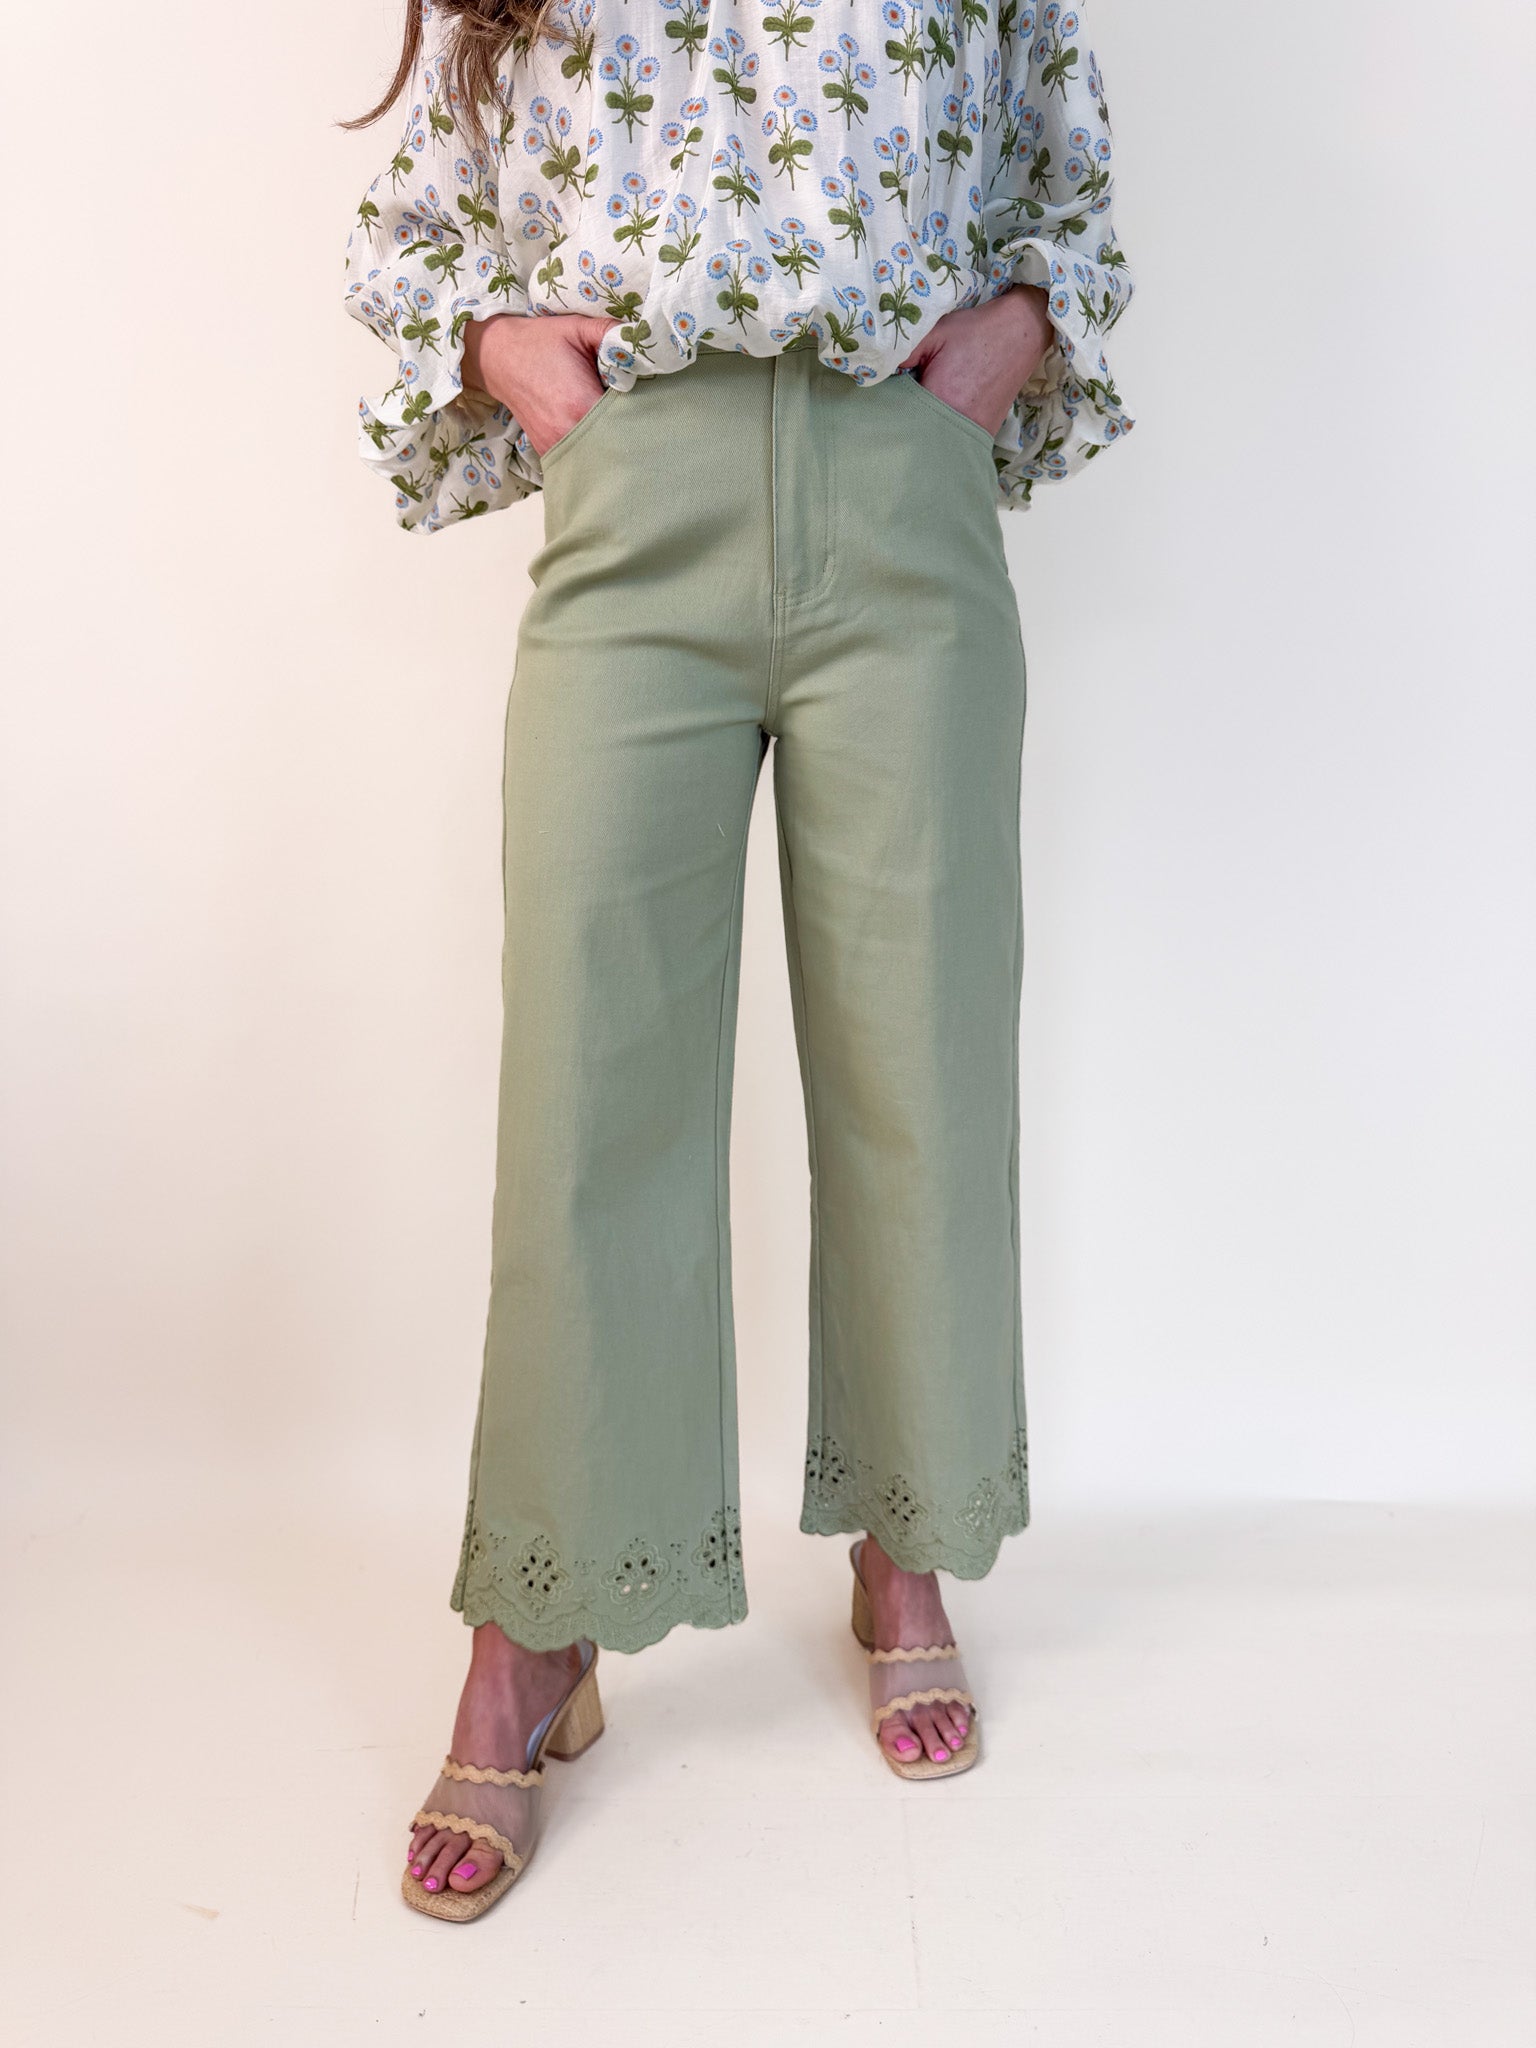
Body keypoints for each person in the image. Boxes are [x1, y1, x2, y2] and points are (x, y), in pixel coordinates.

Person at [341, 0, 1134, 1921]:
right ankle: (536, 1621)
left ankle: (905, 1546)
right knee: (587, 1086)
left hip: (902, 503)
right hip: (644, 509)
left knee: (919, 1064)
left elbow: (1066, 179)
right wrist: (497, 346)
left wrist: (1014, 333)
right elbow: (417, 215)